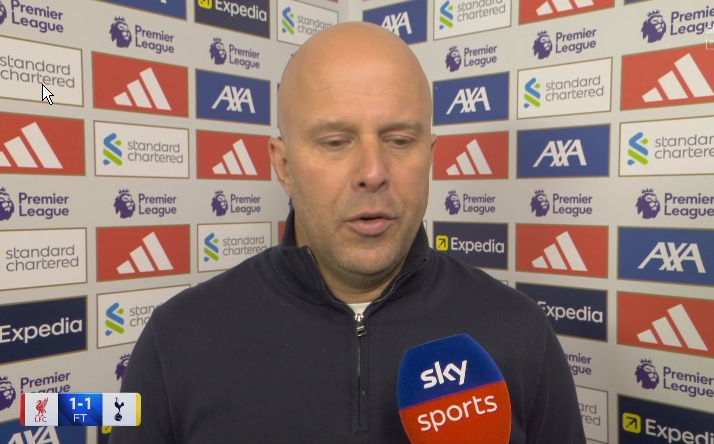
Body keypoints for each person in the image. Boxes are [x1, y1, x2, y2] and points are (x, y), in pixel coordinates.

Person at [109, 22, 585, 443]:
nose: (373, 172)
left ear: (430, 156)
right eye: (336, 142)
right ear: (284, 166)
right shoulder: (178, 340)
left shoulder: (519, 332)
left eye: (400, 140)